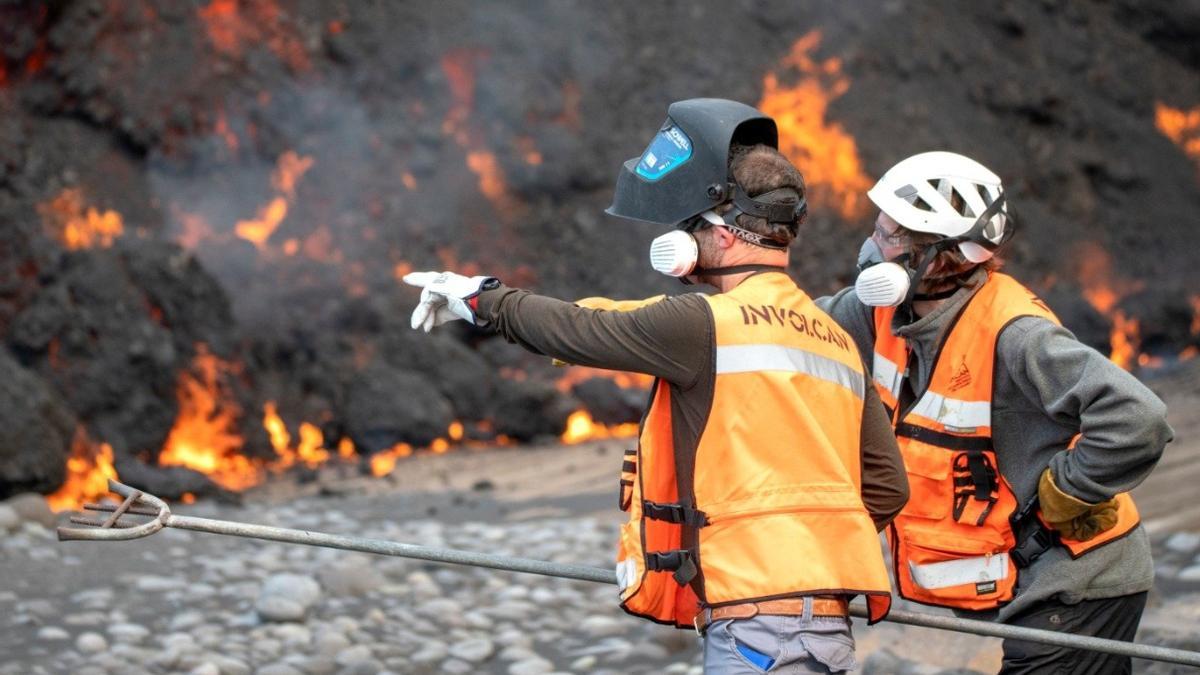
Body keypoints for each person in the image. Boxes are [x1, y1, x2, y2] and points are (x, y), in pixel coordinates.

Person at [405, 98, 908, 673]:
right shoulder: (835, 341)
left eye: (690, 224)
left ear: (719, 234)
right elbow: (887, 489)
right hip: (827, 621)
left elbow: (582, 330)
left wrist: (480, 299)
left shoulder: (702, 323)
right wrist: (806, 543)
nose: (682, 238)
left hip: (755, 619)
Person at [817, 151, 1174, 674]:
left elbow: (1138, 417)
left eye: (891, 236)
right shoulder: (878, 314)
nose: (871, 248)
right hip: (1025, 579)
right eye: (878, 229)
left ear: (938, 258)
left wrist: (1066, 490)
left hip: (1078, 583)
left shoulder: (1017, 336)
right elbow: (795, 331)